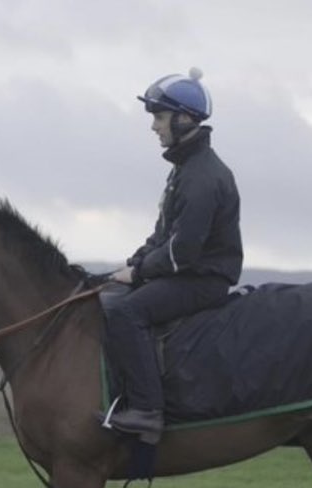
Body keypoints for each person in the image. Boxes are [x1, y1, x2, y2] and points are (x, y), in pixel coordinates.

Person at [101, 68, 243, 442]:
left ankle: (147, 411)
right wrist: (135, 262)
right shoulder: (185, 169)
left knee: (128, 312)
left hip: (202, 280)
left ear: (185, 119)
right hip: (186, 273)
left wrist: (140, 273)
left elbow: (182, 252)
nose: (154, 127)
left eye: (159, 117)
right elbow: (164, 235)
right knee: (108, 298)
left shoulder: (203, 177)